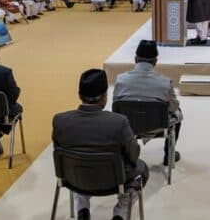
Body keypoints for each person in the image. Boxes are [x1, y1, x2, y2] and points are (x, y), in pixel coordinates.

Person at [53, 69, 148, 220]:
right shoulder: (119, 122)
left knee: (77, 164)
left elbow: (60, 153)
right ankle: (120, 213)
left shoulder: (59, 121)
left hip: (75, 179)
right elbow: (134, 155)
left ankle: (82, 209)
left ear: (79, 95)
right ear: (104, 97)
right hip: (114, 181)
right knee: (142, 171)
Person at [113, 40, 182, 165]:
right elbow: (173, 107)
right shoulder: (165, 82)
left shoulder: (120, 80)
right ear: (155, 61)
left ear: (135, 59)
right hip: (157, 126)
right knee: (179, 112)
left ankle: (126, 157)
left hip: (128, 127)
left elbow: (116, 106)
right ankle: (168, 155)